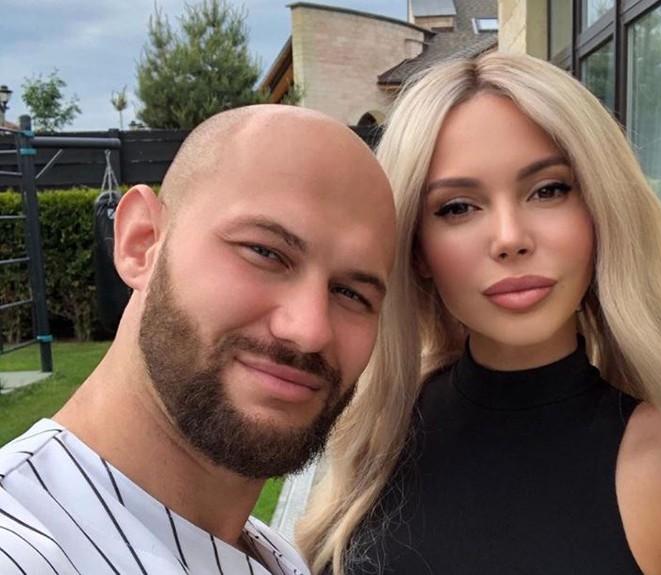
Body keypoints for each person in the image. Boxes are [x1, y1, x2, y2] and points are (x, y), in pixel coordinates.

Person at [296, 53, 661, 575]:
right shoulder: (373, 435)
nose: (510, 239)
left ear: (602, 213)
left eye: (549, 190)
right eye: (457, 207)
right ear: (417, 250)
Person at [0, 105, 396, 575]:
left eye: (351, 293)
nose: (310, 330)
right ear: (141, 242)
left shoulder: (270, 554)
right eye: (265, 252)